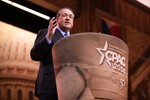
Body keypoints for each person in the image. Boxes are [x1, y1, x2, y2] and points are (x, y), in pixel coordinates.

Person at [30, 7, 75, 100]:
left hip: (70, 89)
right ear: (57, 19)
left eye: (71, 16)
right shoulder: (46, 32)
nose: (68, 18)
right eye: (64, 15)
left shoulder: (74, 41)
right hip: (50, 86)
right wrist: (49, 37)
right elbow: (35, 55)